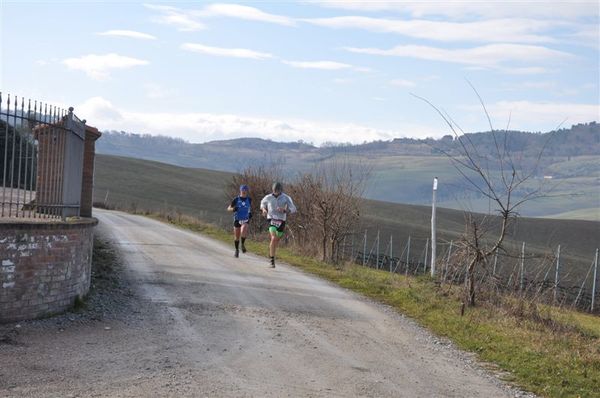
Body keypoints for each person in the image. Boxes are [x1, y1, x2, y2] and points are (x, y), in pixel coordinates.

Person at [260, 182, 297, 268]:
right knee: (273, 238)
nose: (275, 192)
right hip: (271, 219)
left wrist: (285, 211)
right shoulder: (268, 197)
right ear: (272, 190)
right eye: (274, 191)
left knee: (276, 240)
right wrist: (264, 210)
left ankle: (271, 251)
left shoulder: (286, 198)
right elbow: (262, 203)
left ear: (281, 190)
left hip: (281, 221)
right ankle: (272, 260)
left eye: (277, 191)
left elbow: (294, 209)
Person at [227, 184, 252, 258]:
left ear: (247, 191)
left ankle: (243, 244)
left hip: (245, 219)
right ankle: (236, 250)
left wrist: (250, 213)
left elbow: (249, 208)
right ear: (240, 191)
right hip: (237, 219)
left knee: (243, 229)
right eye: (242, 190)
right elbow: (228, 208)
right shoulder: (236, 199)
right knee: (236, 237)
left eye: (245, 190)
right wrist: (233, 209)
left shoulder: (249, 199)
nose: (244, 191)